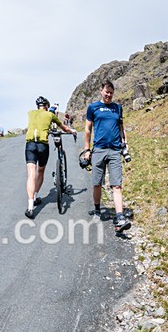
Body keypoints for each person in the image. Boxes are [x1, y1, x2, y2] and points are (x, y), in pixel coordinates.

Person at [83, 80, 131, 232]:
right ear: (101, 91)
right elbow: (88, 130)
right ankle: (97, 209)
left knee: (117, 185)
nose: (109, 95)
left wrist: (125, 143)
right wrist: (87, 150)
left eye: (111, 92)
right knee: (97, 183)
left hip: (115, 150)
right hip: (99, 150)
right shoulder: (93, 107)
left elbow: (121, 127)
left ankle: (120, 216)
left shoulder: (118, 108)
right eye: (106, 92)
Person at [23, 96, 76, 218]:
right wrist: (71, 131)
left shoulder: (30, 113)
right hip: (42, 146)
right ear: (47, 106)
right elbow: (64, 128)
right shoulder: (50, 115)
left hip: (30, 145)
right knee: (40, 171)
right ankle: (35, 195)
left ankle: (30, 207)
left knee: (31, 174)